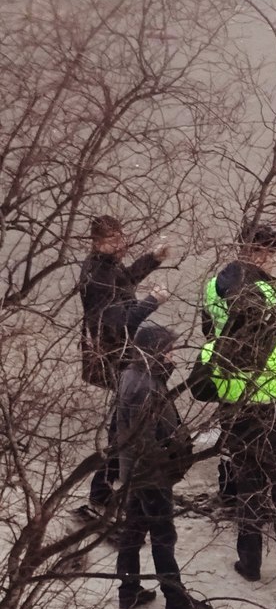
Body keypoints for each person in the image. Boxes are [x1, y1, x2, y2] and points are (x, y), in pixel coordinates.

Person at [192, 286, 276, 585]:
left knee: (248, 497)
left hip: (239, 431)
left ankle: (249, 565)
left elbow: (199, 390)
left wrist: (227, 393)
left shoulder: (213, 350)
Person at [201, 222, 276, 502]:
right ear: (255, 252)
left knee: (233, 436)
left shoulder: (213, 286)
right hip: (267, 375)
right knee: (274, 444)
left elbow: (207, 327)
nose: (270, 259)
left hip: (228, 371)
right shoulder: (270, 292)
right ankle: (271, 496)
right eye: (267, 253)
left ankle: (230, 491)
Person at [113, 323, 213, 609]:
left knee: (133, 531)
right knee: (163, 535)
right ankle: (176, 598)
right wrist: (167, 465)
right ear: (154, 352)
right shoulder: (144, 387)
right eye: (168, 351)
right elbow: (144, 439)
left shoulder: (135, 376)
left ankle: (128, 591)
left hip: (138, 470)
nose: (174, 357)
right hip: (150, 474)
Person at [77, 214, 170, 512]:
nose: (120, 244)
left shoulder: (104, 265)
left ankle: (105, 490)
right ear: (97, 242)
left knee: (121, 424)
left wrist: (151, 259)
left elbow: (125, 282)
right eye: (113, 240)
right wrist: (152, 301)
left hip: (118, 354)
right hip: (115, 356)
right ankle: (103, 492)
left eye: (121, 237)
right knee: (121, 428)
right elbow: (121, 324)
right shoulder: (98, 276)